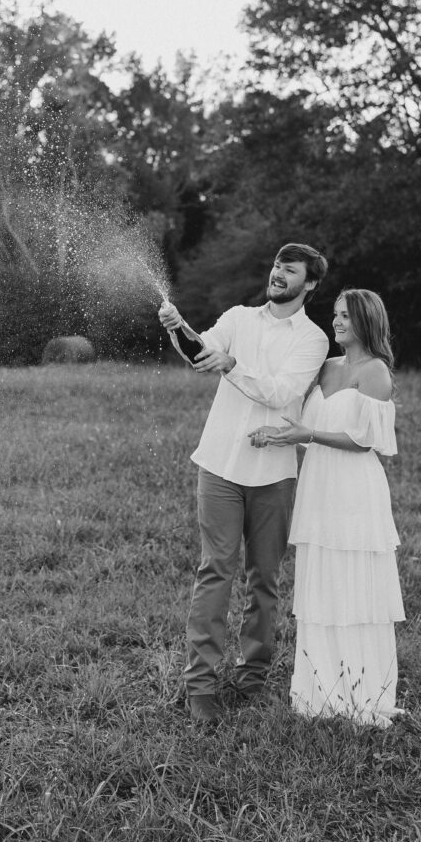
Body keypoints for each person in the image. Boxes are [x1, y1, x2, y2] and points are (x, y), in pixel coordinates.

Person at [159, 243, 329, 723]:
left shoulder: (312, 339)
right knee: (215, 569)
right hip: (219, 465)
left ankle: (252, 676)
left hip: (273, 474)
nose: (278, 274)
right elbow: (202, 353)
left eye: (289, 270)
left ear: (309, 284)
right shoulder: (238, 317)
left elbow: (280, 394)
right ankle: (200, 686)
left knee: (264, 580)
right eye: (276, 265)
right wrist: (180, 330)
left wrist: (231, 365)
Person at [249, 288, 405, 726]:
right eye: (335, 315)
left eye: (345, 317)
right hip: (319, 484)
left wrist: (308, 437)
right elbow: (303, 420)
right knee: (322, 581)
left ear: (366, 321)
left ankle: (362, 693)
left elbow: (364, 441)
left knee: (352, 582)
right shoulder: (327, 367)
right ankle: (321, 693)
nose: (336, 323)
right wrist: (276, 434)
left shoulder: (376, 372)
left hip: (354, 488)